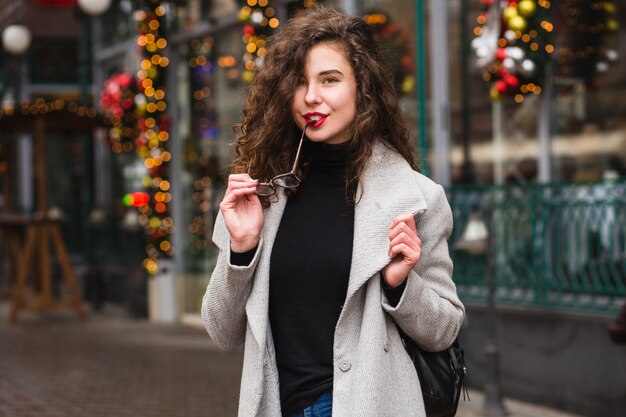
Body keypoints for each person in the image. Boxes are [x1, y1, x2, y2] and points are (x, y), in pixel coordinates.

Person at [201, 6, 464, 417]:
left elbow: (444, 328)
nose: (310, 97)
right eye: (300, 83)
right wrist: (241, 250)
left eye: (330, 80)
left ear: (364, 88)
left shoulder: (416, 198)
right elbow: (221, 331)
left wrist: (399, 286)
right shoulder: (261, 194)